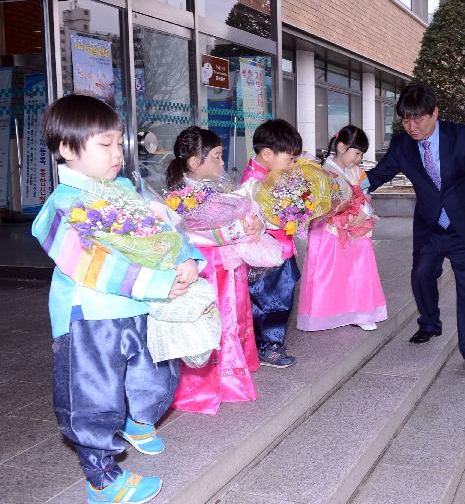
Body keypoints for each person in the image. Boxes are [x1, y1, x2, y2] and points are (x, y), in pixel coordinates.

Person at [31, 95, 205, 503]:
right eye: (104, 144)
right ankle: (102, 479)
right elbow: (90, 263)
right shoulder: (61, 206)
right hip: (91, 318)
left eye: (119, 142)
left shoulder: (126, 189)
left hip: (142, 309)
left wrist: (188, 258)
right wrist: (156, 283)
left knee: (156, 376)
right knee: (92, 397)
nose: (117, 153)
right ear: (67, 149)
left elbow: (168, 228)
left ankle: (136, 419)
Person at [366, 84, 465, 376]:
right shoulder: (403, 145)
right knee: (421, 275)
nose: (412, 126)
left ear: (435, 113)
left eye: (418, 119)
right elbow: (377, 175)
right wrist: (346, 188)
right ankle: (429, 323)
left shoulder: (462, 135)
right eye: (405, 120)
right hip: (430, 228)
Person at [166, 126, 264, 414]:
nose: (222, 164)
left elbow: (243, 207)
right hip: (205, 267)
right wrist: (237, 231)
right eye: (217, 157)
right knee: (213, 320)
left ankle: (229, 374)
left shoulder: (208, 190)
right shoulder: (181, 198)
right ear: (195, 163)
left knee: (231, 317)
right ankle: (206, 383)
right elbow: (190, 235)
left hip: (223, 264)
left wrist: (255, 219)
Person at [297, 125, 387, 331]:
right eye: (357, 152)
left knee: (359, 271)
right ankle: (324, 314)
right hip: (328, 229)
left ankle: (361, 312)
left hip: (355, 228)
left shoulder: (359, 173)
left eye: (361, 153)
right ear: (341, 147)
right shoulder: (322, 171)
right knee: (329, 273)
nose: (358, 158)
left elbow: (366, 196)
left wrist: (365, 210)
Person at [241, 119, 301, 368]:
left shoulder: (268, 175)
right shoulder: (253, 182)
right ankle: (268, 346)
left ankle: (268, 343)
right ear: (267, 154)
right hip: (267, 254)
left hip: (279, 250)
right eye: (290, 159)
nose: (293, 165)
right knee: (271, 301)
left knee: (279, 296)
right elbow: (253, 218)